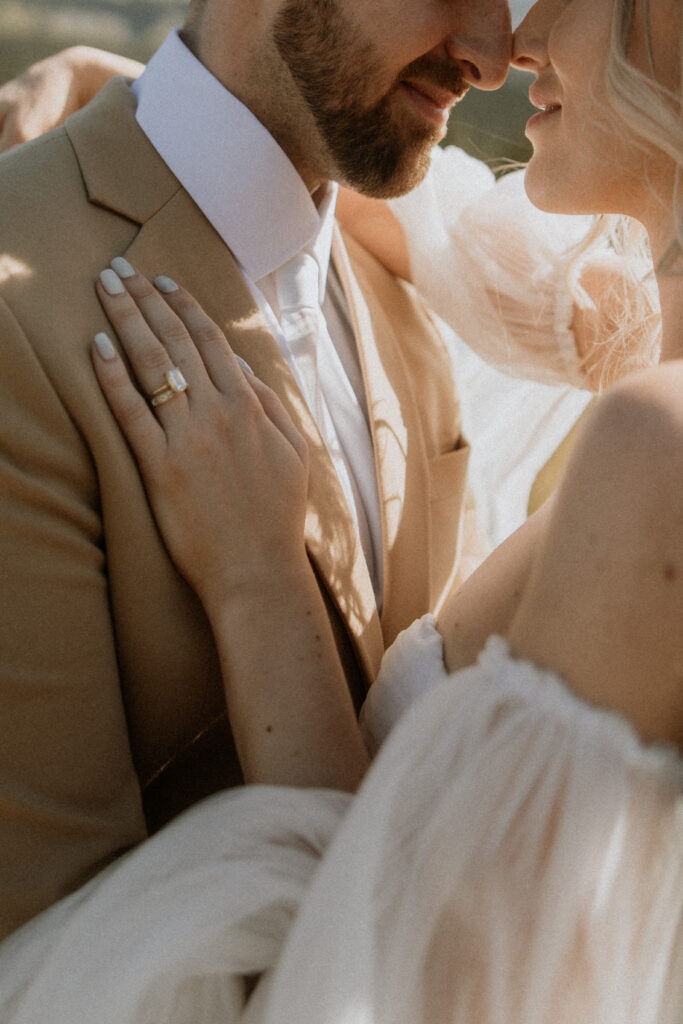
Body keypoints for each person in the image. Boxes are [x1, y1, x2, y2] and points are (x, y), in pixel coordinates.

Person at [1, 0, 680, 1020]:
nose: (497, 55)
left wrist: (259, 583)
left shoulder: (632, 433)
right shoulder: (436, 263)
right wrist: (137, 96)